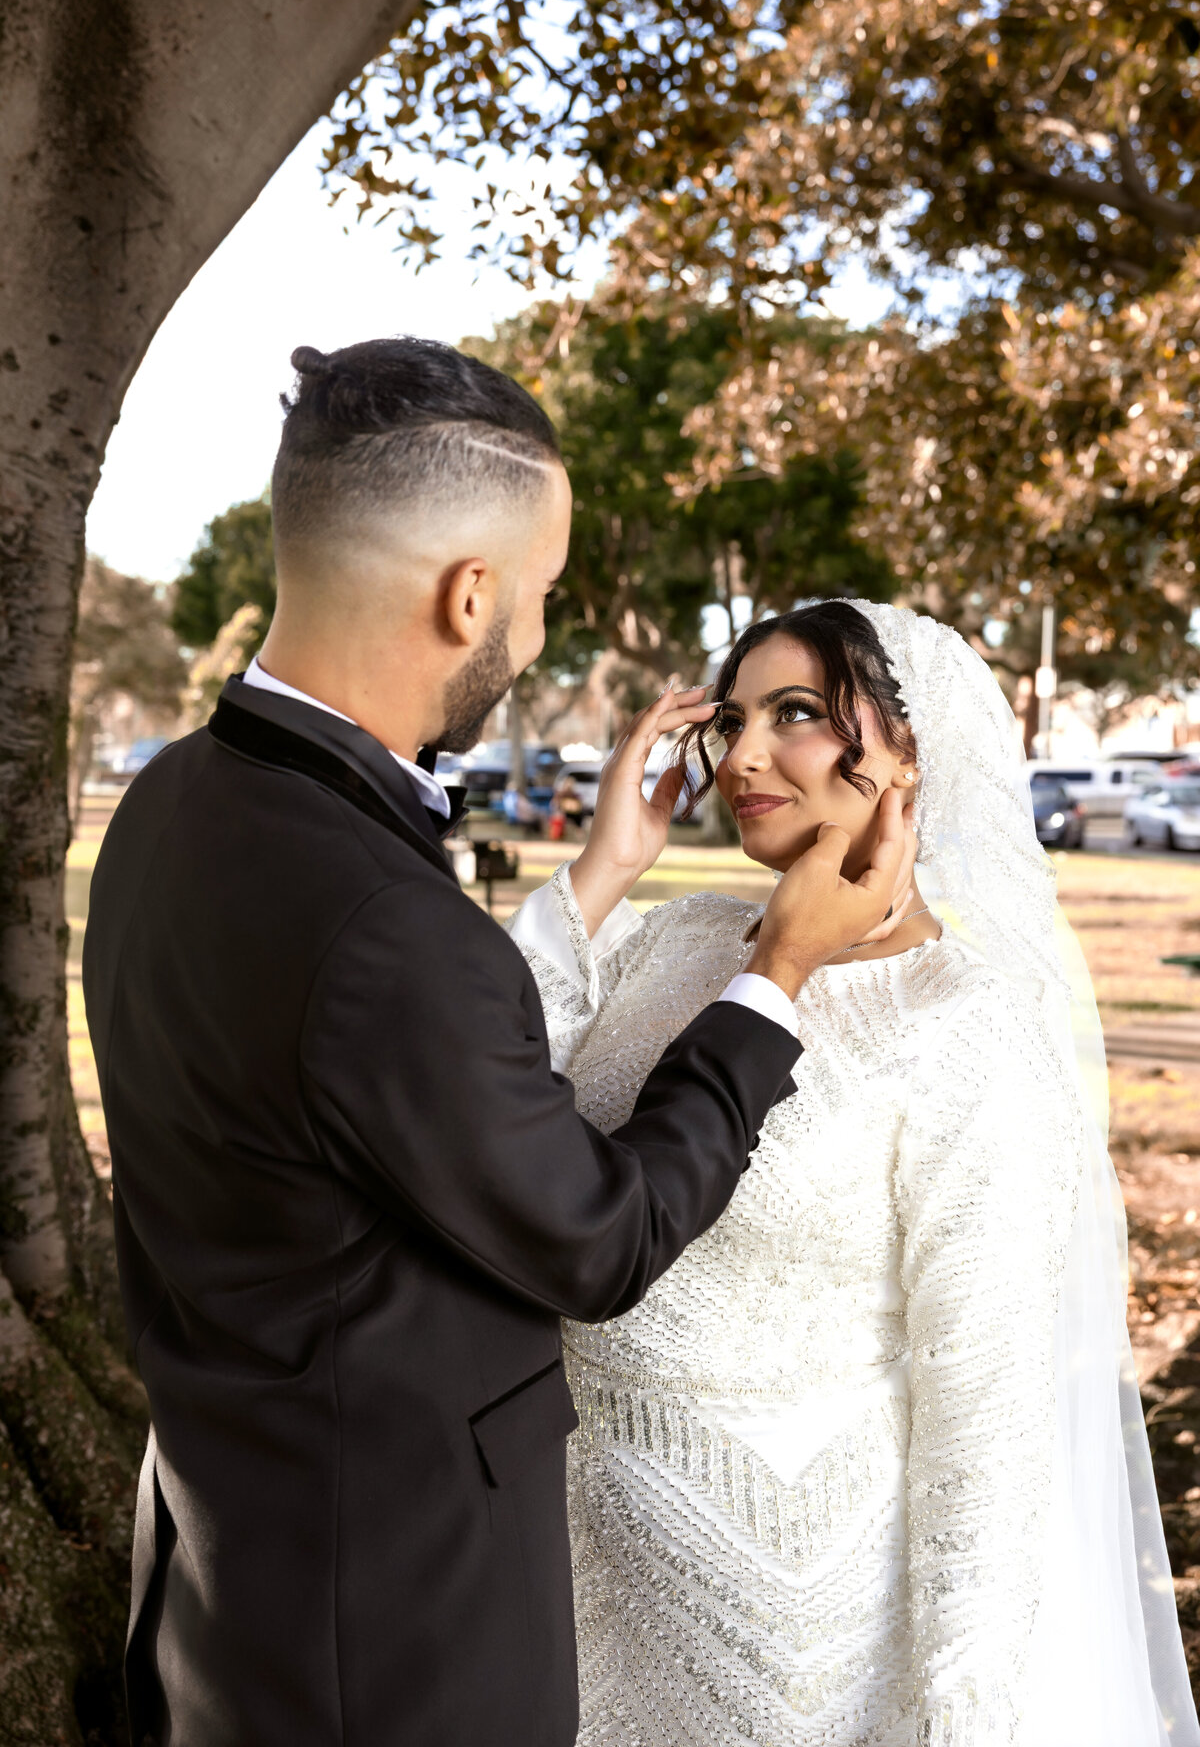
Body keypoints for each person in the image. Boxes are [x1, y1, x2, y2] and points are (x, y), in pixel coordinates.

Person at [81, 341, 913, 1747]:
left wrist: (596, 873)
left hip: (227, 1591)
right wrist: (779, 971)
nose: (531, 640)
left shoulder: (165, 814)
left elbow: (383, 1078)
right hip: (386, 1649)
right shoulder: (377, 918)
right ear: (471, 595)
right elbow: (594, 1236)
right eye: (535, 599)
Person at [507, 597, 1200, 1747]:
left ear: (915, 753)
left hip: (795, 1658)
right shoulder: (674, 941)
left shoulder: (969, 1029)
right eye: (730, 721)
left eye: (797, 714)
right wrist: (603, 868)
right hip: (562, 1595)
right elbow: (472, 1092)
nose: (742, 756)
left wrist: (960, 1712)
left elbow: (987, 1427)